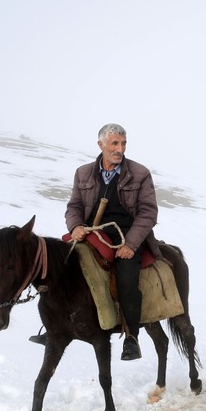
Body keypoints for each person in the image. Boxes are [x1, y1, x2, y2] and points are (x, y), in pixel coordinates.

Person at [62, 123, 161, 361]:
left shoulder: (139, 173)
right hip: (92, 232)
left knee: (126, 278)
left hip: (126, 234)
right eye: (115, 143)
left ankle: (132, 338)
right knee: (60, 268)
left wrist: (131, 245)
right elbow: (74, 206)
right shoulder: (83, 172)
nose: (120, 149)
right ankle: (57, 326)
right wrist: (75, 226)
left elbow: (148, 212)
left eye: (123, 143)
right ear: (101, 145)